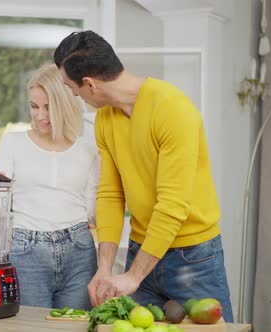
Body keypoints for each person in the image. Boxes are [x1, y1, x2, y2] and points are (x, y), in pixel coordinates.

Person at [53, 31, 234, 322]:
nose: (73, 94)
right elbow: (111, 194)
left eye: (71, 87)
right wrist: (105, 268)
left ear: (89, 83)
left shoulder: (172, 109)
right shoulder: (105, 119)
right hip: (142, 250)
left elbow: (172, 205)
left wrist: (133, 276)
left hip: (193, 257)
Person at [0, 64, 99, 310]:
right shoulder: (13, 144)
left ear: (66, 105)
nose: (40, 115)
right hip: (27, 251)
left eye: (49, 107)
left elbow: (93, 210)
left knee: (75, 328)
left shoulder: (88, 150)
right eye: (34, 106)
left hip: (79, 250)